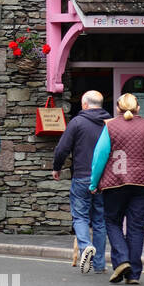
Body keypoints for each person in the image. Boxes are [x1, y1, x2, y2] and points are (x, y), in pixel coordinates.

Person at [89, 92, 144, 284]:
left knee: (112, 221)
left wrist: (94, 183)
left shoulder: (110, 126)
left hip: (115, 183)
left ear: (118, 108)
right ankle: (133, 273)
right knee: (136, 227)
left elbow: (100, 155)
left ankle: (122, 260)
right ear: (138, 108)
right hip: (143, 184)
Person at [51, 90, 111, 273]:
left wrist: (57, 167)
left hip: (82, 177)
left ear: (85, 105)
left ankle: (85, 247)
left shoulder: (77, 122)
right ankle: (99, 264)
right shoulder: (110, 124)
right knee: (100, 221)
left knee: (80, 217)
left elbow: (62, 148)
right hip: (104, 179)